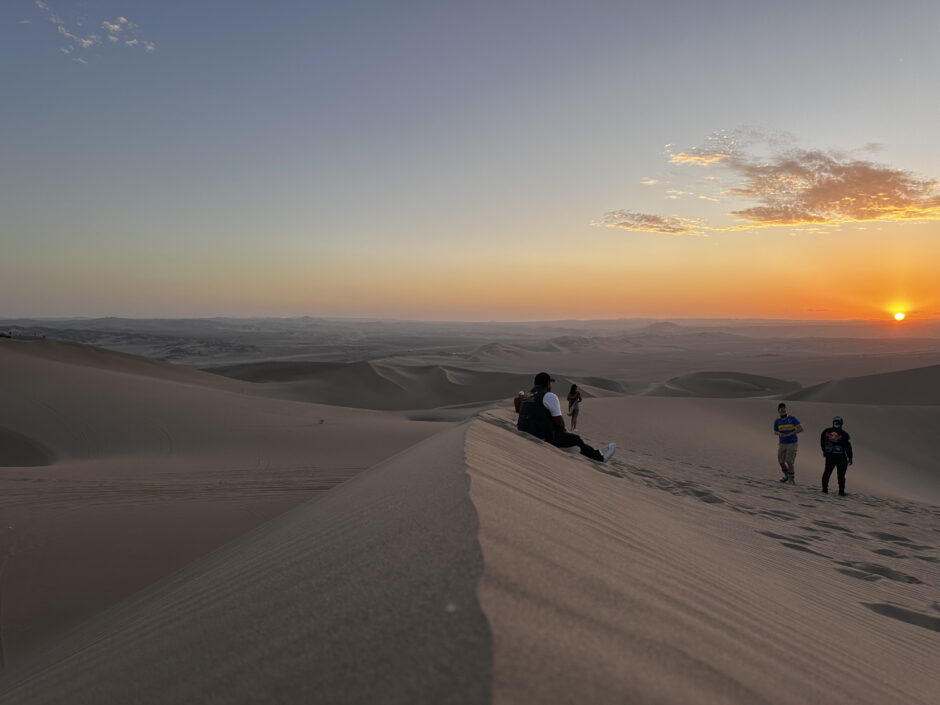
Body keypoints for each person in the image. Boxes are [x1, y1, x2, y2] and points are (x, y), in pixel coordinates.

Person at [517, 372, 615, 462]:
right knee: (576, 439)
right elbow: (559, 422)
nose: (550, 386)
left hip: (524, 432)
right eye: (550, 384)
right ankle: (599, 457)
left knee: (568, 439)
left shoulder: (527, 395)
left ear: (535, 383)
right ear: (547, 384)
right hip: (544, 437)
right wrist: (563, 431)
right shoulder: (549, 396)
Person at [820, 416, 853, 496]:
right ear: (842, 423)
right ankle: (841, 492)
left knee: (827, 473)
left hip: (830, 456)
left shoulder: (826, 431)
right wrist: (850, 457)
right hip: (840, 458)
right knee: (840, 475)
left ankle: (824, 490)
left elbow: (822, 442)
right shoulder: (844, 434)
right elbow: (848, 447)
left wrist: (824, 451)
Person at [774, 402, 802, 484]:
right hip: (782, 443)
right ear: (778, 411)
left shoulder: (792, 418)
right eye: (781, 408)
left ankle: (791, 479)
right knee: (781, 461)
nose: (782, 410)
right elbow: (775, 431)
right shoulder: (777, 421)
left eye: (784, 408)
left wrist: (790, 433)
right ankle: (786, 476)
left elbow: (800, 429)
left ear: (786, 409)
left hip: (792, 443)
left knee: (789, 461)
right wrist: (779, 434)